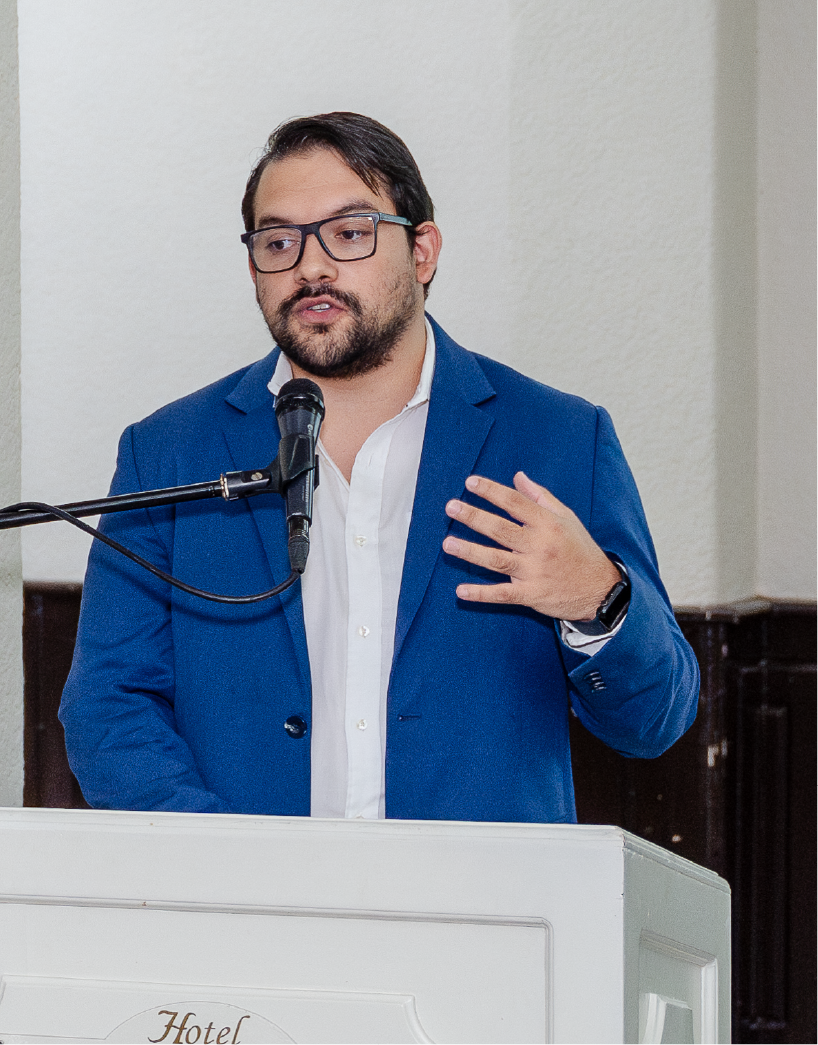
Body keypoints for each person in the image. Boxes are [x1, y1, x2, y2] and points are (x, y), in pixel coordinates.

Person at [60, 112, 698, 822]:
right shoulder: (169, 452)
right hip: (245, 885)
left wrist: (598, 599)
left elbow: (654, 722)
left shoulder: (557, 438)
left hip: (482, 888)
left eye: (349, 232)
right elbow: (108, 707)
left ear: (421, 251)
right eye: (279, 241)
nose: (311, 267)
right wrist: (226, 861)